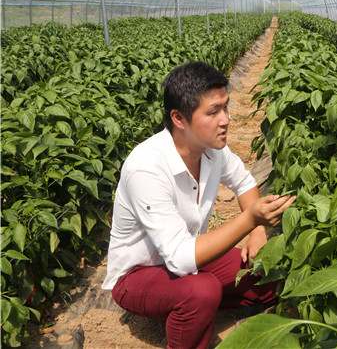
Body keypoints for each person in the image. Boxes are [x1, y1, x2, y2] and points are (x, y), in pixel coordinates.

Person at [101, 61, 295, 348]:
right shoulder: (146, 167)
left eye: (225, 107)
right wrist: (250, 220)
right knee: (201, 291)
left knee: (268, 276)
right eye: (213, 112)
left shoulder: (213, 150)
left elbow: (244, 183)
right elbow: (179, 258)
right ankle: (189, 313)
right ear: (179, 118)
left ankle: (191, 307)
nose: (225, 119)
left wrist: (257, 233)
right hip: (138, 275)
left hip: (191, 255)